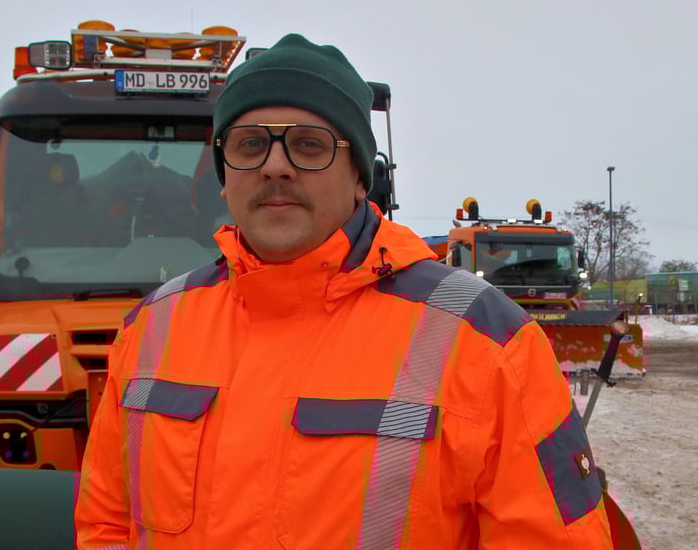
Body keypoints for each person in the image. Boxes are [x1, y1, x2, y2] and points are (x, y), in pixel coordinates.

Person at [75, 34, 612, 549]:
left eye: (309, 146)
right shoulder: (151, 330)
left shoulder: (487, 343)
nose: (275, 166)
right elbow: (108, 523)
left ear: (359, 177)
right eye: (250, 144)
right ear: (224, 176)